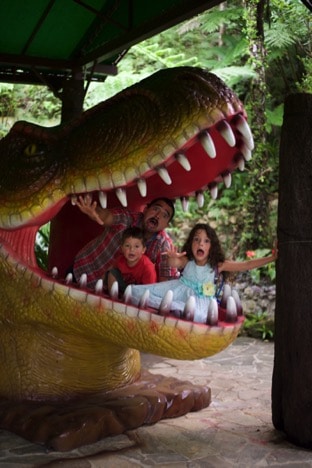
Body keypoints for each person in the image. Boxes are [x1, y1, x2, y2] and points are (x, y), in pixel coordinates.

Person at [129, 223, 277, 324]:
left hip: (201, 299)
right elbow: (175, 264)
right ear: (191, 243)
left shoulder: (218, 265)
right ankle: (170, 313)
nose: (201, 244)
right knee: (137, 292)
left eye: (206, 241)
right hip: (178, 290)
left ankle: (175, 313)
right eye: (197, 240)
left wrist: (271, 257)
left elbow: (247, 264)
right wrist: (172, 259)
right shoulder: (187, 260)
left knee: (197, 315)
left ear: (212, 246)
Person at [72, 194, 177, 289]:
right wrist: (95, 211)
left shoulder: (164, 245)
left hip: (110, 292)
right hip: (84, 270)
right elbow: (108, 216)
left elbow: (165, 281)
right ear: (145, 209)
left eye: (164, 215)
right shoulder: (128, 218)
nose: (157, 215)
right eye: (155, 209)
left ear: (166, 225)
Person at [104, 226, 157, 295]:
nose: (132, 249)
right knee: (112, 272)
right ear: (122, 248)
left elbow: (150, 290)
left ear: (143, 250)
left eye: (136, 246)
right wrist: (100, 283)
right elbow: (110, 270)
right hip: (124, 289)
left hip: (139, 293)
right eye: (127, 246)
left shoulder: (147, 267)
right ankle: (113, 298)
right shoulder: (120, 260)